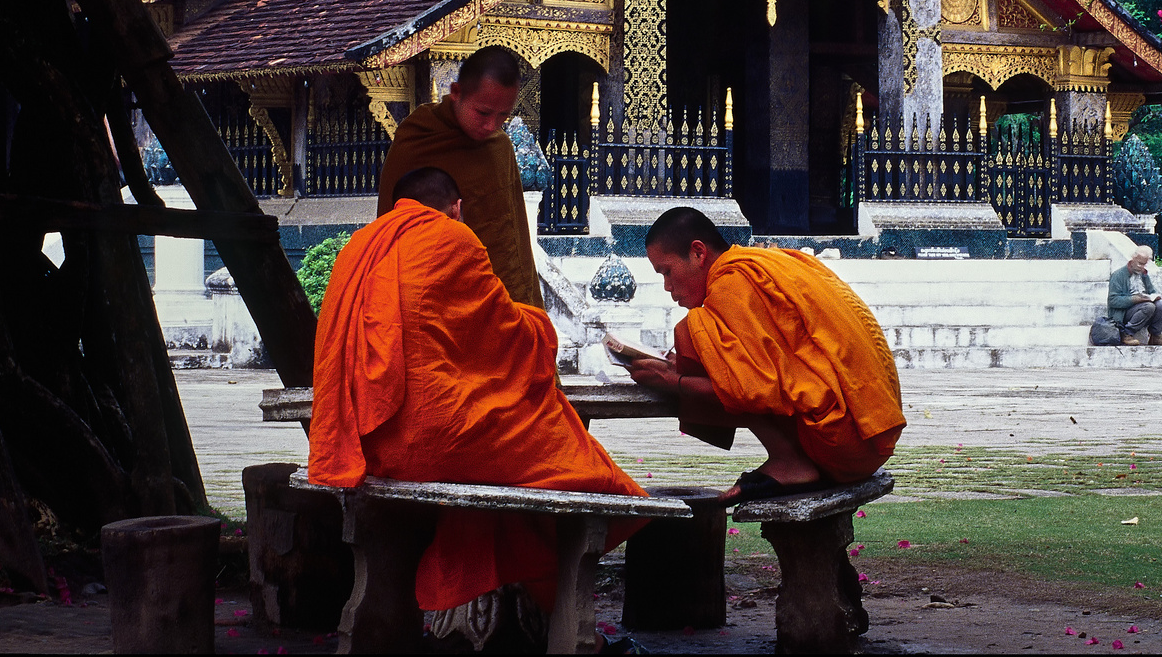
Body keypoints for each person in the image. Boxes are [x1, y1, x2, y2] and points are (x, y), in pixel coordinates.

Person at [309, 165, 646, 641]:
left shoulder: (359, 247)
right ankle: (553, 601)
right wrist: (540, 328)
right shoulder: (453, 239)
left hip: (366, 441)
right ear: (456, 208)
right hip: (429, 444)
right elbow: (501, 333)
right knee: (572, 454)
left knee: (521, 430)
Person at [626, 207, 906, 506]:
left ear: (698, 252)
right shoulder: (770, 261)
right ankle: (791, 458)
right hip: (873, 434)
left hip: (842, 443)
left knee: (694, 333)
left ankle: (789, 461)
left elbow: (752, 388)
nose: (668, 286)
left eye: (667, 272)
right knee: (710, 346)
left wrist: (673, 380)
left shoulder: (730, 285)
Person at [375, 45, 542, 310]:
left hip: (498, 298)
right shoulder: (416, 140)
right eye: (483, 113)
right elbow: (390, 226)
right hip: (434, 298)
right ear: (456, 93)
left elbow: (513, 240)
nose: (492, 125)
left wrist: (526, 307)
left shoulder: (499, 148)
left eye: (503, 115)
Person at [1107, 245, 1162, 345]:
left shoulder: (1143, 274)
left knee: (1160, 305)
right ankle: (1126, 334)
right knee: (1149, 306)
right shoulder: (1118, 275)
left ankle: (1156, 335)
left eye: (1144, 264)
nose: (1141, 267)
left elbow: (1152, 291)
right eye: (1140, 263)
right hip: (1124, 312)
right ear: (1133, 258)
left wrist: (1153, 296)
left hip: (1142, 308)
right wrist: (1135, 299)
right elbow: (1113, 301)